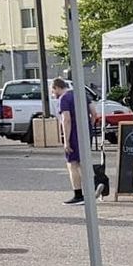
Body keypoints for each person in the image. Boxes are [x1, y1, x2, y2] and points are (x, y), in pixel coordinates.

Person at [54, 76, 87, 204]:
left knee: (72, 164)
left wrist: (66, 140)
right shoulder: (81, 95)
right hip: (85, 133)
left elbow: (66, 119)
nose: (53, 94)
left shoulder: (64, 99)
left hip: (73, 134)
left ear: (57, 88)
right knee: (84, 163)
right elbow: (94, 113)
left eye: (53, 91)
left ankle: (78, 195)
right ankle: (91, 189)